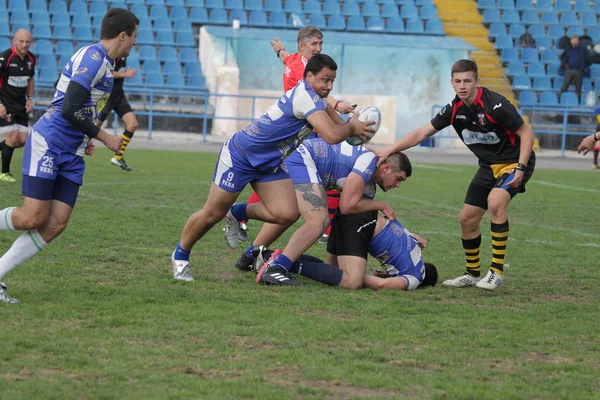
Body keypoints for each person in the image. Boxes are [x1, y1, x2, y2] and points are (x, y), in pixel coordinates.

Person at [170, 54, 374, 282]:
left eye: (332, 81)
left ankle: (237, 212)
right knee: (211, 214)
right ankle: (180, 256)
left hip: (269, 164)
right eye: (325, 80)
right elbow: (332, 135)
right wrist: (352, 128)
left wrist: (359, 131)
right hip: (240, 157)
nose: (329, 86)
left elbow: (341, 127)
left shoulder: (317, 97)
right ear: (309, 76)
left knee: (286, 213)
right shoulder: (306, 98)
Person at [0, 8, 139, 304]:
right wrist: (103, 136)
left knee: (56, 223)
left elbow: (67, 95)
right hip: (50, 142)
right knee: (31, 217)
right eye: (134, 38)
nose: (134, 45)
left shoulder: (102, 61)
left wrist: (86, 135)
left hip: (72, 149)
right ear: (123, 35)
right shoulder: (93, 59)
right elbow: (67, 107)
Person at [377, 59, 535, 291]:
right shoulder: (454, 110)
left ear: (477, 82)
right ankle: (472, 273)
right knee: (467, 218)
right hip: (488, 166)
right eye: (458, 81)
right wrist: (390, 149)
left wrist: (520, 167)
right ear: (451, 83)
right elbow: (422, 133)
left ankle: (496, 272)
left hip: (515, 162)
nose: (463, 86)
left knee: (495, 202)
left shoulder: (496, 105)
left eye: (468, 81)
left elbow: (526, 133)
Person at [230, 138, 412, 286]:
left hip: (303, 159)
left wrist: (408, 235)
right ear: (386, 168)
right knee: (319, 221)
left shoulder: (370, 187)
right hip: (304, 157)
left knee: (288, 214)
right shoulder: (369, 163)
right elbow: (348, 205)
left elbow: (356, 216)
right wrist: (382, 205)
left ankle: (249, 252)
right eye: (399, 178)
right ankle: (277, 268)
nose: (397, 185)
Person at [232, 27, 355, 245]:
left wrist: (280, 51)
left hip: (304, 131)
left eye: (320, 44)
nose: (318, 48)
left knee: (314, 179)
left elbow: (286, 59)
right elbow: (321, 94)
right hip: (303, 133)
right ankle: (243, 218)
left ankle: (247, 227)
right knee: (330, 176)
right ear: (302, 45)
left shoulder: (293, 60)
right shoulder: (303, 69)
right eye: (314, 44)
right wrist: (339, 106)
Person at [249, 212, 438, 290]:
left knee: (330, 268)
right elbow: (381, 284)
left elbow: (402, 241)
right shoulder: (415, 279)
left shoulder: (415, 249)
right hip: (362, 226)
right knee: (348, 278)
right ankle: (284, 266)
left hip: (357, 217)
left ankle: (269, 256)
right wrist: (369, 278)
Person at [0, 29, 35, 183]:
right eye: (21, 41)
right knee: (12, 136)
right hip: (5, 103)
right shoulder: (5, 57)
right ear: (14, 41)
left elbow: (30, 80)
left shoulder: (31, 59)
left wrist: (30, 98)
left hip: (20, 104)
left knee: (21, 141)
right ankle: (4, 173)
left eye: (27, 42)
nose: (24, 44)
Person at [96, 56, 139, 171]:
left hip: (119, 96)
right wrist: (125, 74)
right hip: (107, 97)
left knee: (133, 124)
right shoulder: (112, 55)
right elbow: (108, 73)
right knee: (93, 129)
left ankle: (118, 157)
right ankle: (76, 150)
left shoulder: (123, 55)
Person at [559, 36, 594, 103]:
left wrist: (584, 66)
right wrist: (564, 64)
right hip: (569, 70)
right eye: (572, 40)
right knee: (564, 86)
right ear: (571, 41)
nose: (574, 41)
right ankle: (560, 101)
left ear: (578, 41)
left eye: (575, 40)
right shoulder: (568, 48)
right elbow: (562, 57)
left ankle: (578, 102)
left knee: (578, 88)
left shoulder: (583, 48)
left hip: (579, 71)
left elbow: (590, 56)